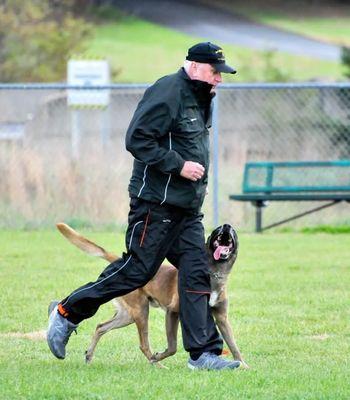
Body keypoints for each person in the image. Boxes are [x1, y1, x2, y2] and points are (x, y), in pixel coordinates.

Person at [47, 42, 240, 370]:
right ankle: (66, 311)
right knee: (136, 271)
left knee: (196, 272)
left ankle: (203, 355)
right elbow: (137, 139)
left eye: (221, 73)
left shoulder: (200, 97)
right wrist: (178, 165)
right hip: (156, 206)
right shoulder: (167, 92)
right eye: (214, 72)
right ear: (194, 66)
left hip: (187, 210)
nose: (219, 79)